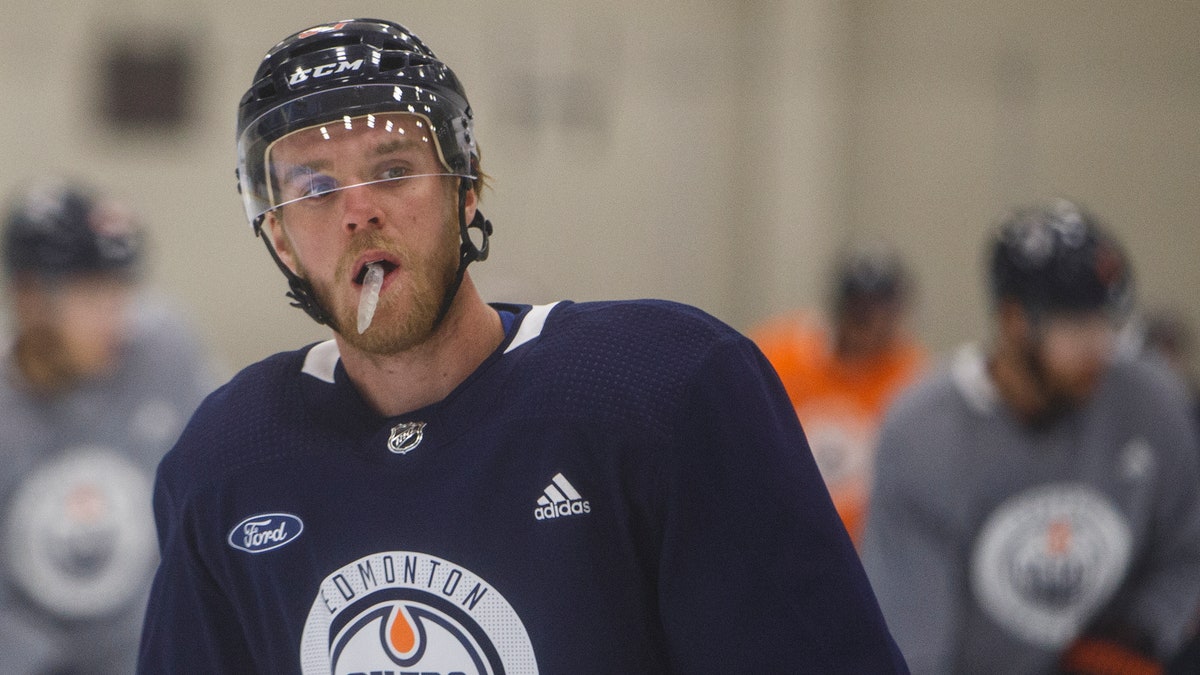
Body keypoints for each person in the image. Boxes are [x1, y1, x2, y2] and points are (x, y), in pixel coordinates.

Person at [136, 18, 908, 673]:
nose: (358, 211)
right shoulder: (226, 459)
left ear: (467, 190)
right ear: (278, 235)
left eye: (395, 169)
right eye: (314, 188)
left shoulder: (664, 388)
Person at [860, 199, 1200, 674]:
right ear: (1015, 320)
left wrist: (1141, 630)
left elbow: (1186, 550)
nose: (1099, 345)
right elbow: (910, 635)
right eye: (1079, 324)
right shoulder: (925, 433)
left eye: (1107, 321)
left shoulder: (1149, 400)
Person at [0, 179, 216, 673]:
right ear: (30, 297)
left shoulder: (164, 353)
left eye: (123, 292)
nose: (116, 320)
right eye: (93, 295)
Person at [750, 245, 924, 544]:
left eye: (880, 313)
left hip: (866, 555)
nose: (870, 327)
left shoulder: (912, 379)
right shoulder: (777, 357)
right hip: (776, 540)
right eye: (859, 312)